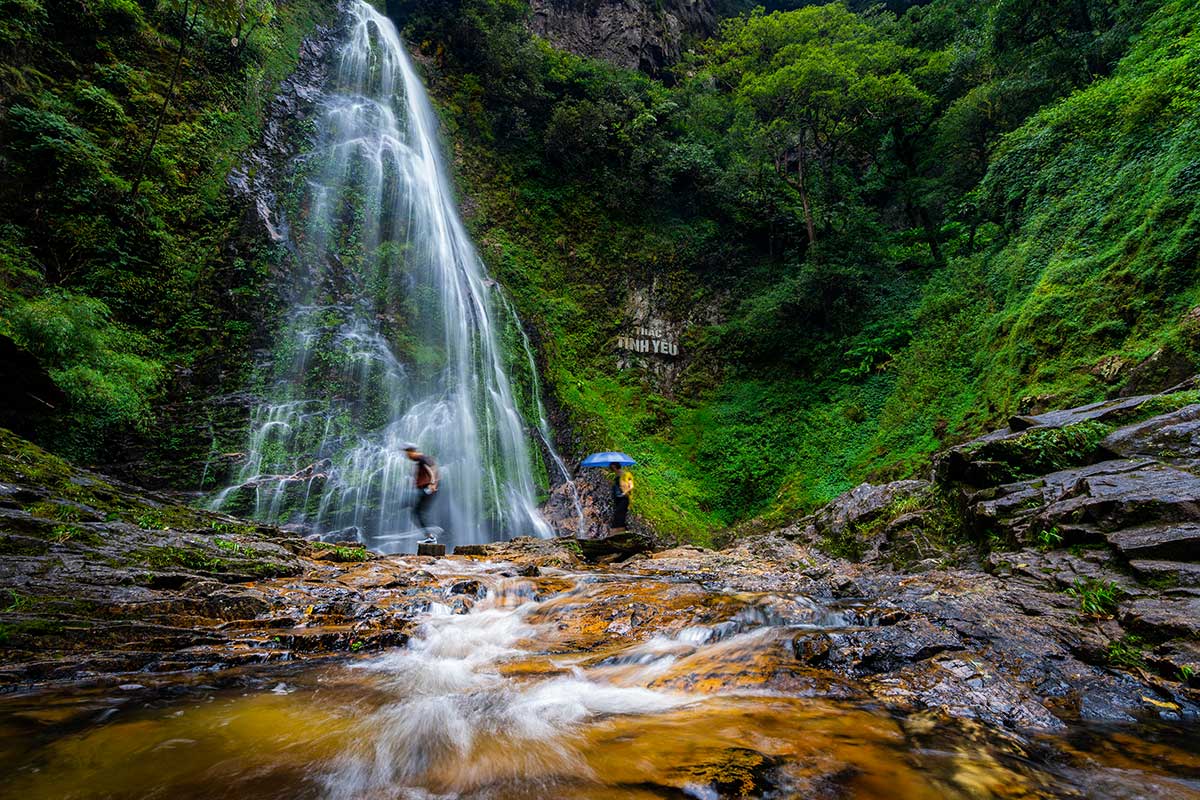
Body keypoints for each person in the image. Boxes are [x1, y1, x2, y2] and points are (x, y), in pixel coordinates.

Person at [404, 444, 439, 541]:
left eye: (408, 453)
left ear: (412, 451)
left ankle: (430, 535)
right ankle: (430, 535)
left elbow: (431, 470)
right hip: (426, 488)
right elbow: (433, 467)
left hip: (427, 488)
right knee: (417, 512)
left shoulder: (421, 458)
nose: (407, 456)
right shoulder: (421, 459)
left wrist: (432, 483)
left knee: (416, 511)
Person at [609, 462, 634, 532]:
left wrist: (625, 493)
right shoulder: (616, 475)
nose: (610, 468)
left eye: (611, 466)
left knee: (619, 512)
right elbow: (618, 486)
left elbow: (631, 486)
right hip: (617, 497)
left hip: (624, 497)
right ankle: (621, 529)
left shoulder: (626, 474)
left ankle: (619, 529)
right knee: (619, 512)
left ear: (614, 466)